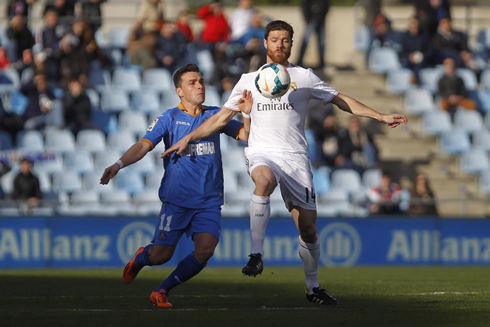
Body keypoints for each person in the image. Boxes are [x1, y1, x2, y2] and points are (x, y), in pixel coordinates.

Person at [162, 20, 408, 305]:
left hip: (295, 158)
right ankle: (256, 254)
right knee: (262, 181)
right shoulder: (248, 81)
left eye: (286, 40)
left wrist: (379, 116)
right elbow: (220, 119)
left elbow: (341, 100)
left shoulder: (304, 77)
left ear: (291, 44)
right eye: (275, 39)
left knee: (308, 229)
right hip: (262, 150)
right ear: (265, 43)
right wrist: (188, 138)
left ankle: (312, 287)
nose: (280, 44)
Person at [99, 63, 252, 308]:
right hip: (177, 200)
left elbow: (246, 136)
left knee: (205, 250)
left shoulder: (216, 115)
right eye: (192, 82)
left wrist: (246, 113)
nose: (200, 85)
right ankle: (141, 258)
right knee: (161, 255)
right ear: (179, 91)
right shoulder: (168, 118)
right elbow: (143, 145)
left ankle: (161, 291)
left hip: (209, 201)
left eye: (201, 81)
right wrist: (118, 164)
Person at [297, 0, 330, 69]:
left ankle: (321, 62)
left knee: (322, 42)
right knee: (306, 40)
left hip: (321, 18)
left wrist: (324, 14)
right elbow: (304, 4)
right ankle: (299, 61)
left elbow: (326, 4)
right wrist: (307, 18)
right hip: (311, 18)